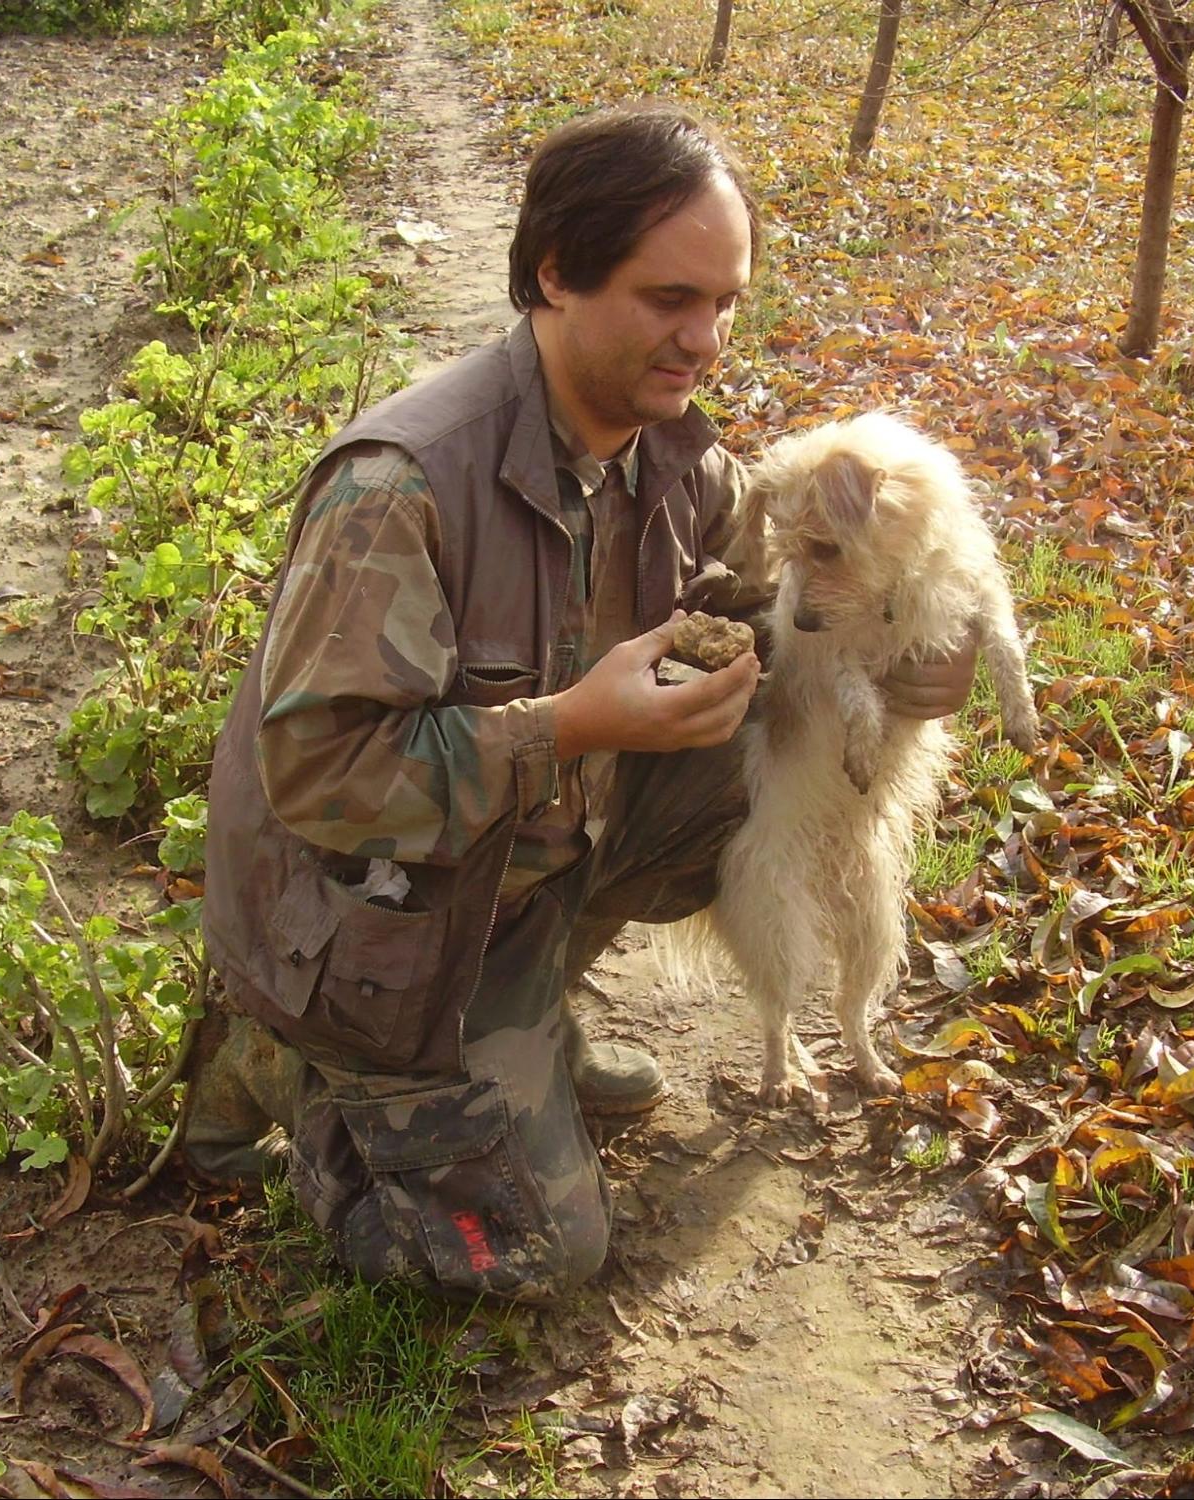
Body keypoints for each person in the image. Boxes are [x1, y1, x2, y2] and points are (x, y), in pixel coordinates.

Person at [186, 102, 977, 1303]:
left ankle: (527, 1019)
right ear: (555, 273)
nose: (704, 337)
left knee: (759, 766)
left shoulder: (678, 467)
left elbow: (788, 627)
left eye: (723, 304)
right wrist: (571, 725)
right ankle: (302, 1077)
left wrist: (909, 663)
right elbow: (321, 779)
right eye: (669, 299)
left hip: (517, 864)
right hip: (377, 918)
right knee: (546, 1250)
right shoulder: (405, 487)